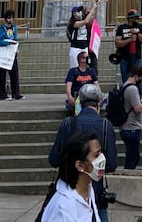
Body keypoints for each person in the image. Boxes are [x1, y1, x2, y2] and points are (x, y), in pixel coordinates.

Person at [49, 84, 117, 222]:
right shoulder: (105, 125)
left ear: (81, 101)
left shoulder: (68, 123)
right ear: (98, 103)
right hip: (95, 190)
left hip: (70, 183)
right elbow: (111, 164)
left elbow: (54, 159)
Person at [42, 131, 104, 222]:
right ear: (80, 166)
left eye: (101, 153)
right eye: (96, 155)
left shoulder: (88, 188)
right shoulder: (64, 207)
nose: (102, 159)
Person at [115, 8, 142, 94]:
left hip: (137, 58)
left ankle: (141, 99)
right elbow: (117, 43)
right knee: (126, 82)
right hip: (125, 59)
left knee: (140, 81)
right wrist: (130, 40)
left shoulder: (140, 27)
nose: (135, 19)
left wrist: (137, 34)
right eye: (134, 17)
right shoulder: (121, 28)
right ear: (129, 18)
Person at [120, 66, 142, 169]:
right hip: (131, 127)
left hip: (126, 126)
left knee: (132, 155)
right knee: (132, 157)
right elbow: (138, 108)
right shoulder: (132, 89)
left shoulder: (124, 86)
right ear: (136, 77)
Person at [0, 10, 24, 101]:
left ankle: (16, 93)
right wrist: (7, 43)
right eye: (9, 18)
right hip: (4, 53)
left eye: (12, 18)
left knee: (15, 73)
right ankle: (2, 94)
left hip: (12, 53)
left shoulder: (14, 28)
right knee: (3, 74)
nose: (10, 20)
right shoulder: (1, 28)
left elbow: (15, 39)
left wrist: (16, 48)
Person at [65, 51, 99, 115]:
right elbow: (68, 85)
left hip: (90, 96)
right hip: (78, 97)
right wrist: (69, 97)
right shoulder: (73, 71)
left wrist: (99, 97)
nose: (88, 59)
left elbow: (96, 85)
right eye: (86, 58)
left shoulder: (92, 71)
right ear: (81, 59)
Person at [67, 0, 99, 69]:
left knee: (84, 67)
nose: (79, 13)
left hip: (84, 48)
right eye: (78, 11)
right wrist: (93, 8)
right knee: (74, 68)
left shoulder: (83, 19)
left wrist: (95, 6)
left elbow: (92, 18)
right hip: (76, 48)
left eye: (80, 11)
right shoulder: (73, 23)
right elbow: (86, 21)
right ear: (74, 13)